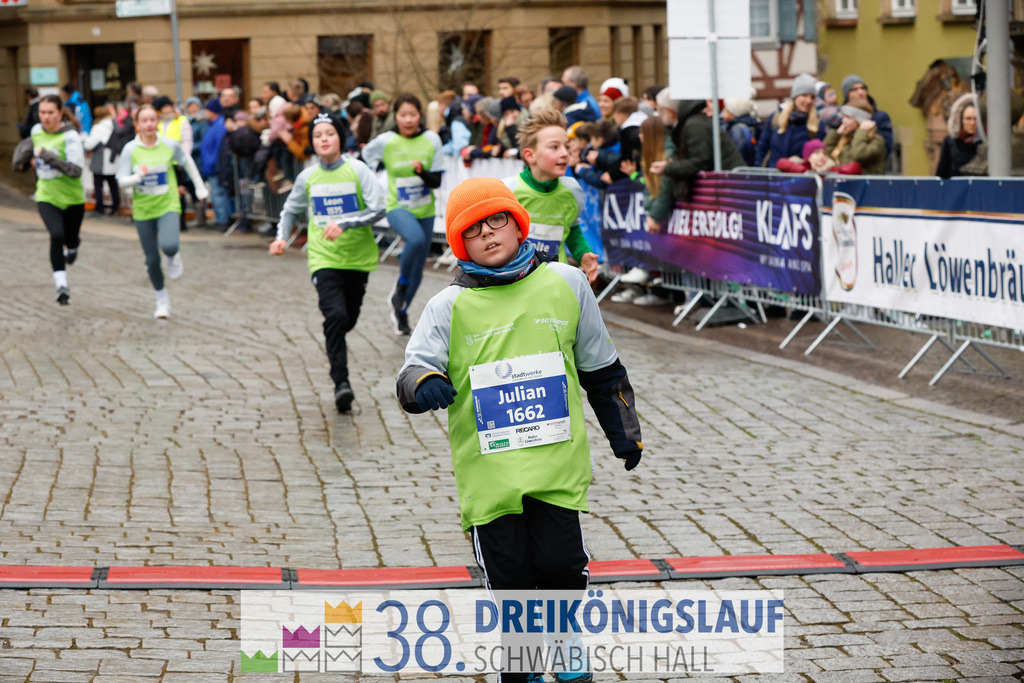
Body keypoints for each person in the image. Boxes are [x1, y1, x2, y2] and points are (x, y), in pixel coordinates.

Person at [395, 176, 642, 683]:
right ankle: (522, 659)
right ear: (459, 242)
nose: (487, 233)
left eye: (496, 220)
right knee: (510, 574)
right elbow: (411, 370)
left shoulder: (567, 283)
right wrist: (423, 384)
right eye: (472, 229)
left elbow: (602, 367)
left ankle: (566, 641)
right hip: (491, 476)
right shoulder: (447, 306)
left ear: (517, 223)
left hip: (556, 464)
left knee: (561, 564)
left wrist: (624, 431)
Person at [270, 111, 386, 412]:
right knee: (334, 316)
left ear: (340, 138)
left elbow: (379, 208)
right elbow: (290, 209)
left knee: (347, 319)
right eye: (318, 135)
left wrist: (345, 223)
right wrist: (282, 237)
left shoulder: (358, 170)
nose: (323, 139)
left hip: (357, 259)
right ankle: (341, 384)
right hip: (323, 258)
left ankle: (336, 346)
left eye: (329, 134)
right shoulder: (307, 176)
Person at [361, 93, 444, 335]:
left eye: (413, 115)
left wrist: (421, 172)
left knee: (419, 269)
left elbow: (436, 181)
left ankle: (402, 310)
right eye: (403, 115)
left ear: (420, 116)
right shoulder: (386, 141)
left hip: (425, 210)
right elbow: (362, 160)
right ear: (395, 116)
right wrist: (374, 171)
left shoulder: (432, 140)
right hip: (397, 207)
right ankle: (400, 286)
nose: (408, 120)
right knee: (415, 239)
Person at [116, 104, 208, 318]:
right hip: (143, 210)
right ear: (137, 124)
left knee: (169, 244)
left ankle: (173, 256)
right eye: (144, 120)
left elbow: (187, 162)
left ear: (157, 122)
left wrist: (199, 186)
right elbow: (121, 180)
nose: (149, 124)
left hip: (168, 204)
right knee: (151, 260)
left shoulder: (169, 144)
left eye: (152, 119)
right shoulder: (130, 149)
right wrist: (136, 178)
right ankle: (161, 299)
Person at [503, 109, 599, 281]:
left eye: (566, 146)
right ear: (530, 155)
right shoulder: (508, 190)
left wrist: (583, 253)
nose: (565, 153)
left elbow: (571, 228)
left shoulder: (572, 190)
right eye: (555, 147)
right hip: (515, 281)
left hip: (555, 280)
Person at [11, 94, 86, 305]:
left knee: (70, 238)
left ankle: (73, 245)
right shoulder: (36, 131)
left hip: (72, 198)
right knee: (56, 235)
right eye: (42, 112)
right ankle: (61, 286)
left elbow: (75, 171)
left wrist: (47, 156)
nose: (46, 117)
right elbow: (28, 153)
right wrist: (23, 162)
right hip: (46, 196)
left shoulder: (70, 136)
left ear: (60, 113)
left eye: (50, 112)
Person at [754, 74, 823, 168]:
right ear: (795, 97)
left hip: (801, 175)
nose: (809, 101)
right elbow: (762, 148)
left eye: (812, 97)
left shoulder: (817, 124)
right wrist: (759, 172)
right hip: (773, 174)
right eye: (804, 95)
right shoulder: (776, 118)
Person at [823, 101, 886, 175]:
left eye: (848, 117)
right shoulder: (846, 138)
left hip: (865, 182)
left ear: (860, 121)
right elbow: (824, 153)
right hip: (843, 181)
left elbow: (858, 155)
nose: (843, 120)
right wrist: (836, 133)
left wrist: (862, 131)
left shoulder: (877, 140)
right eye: (844, 117)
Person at [840, 74, 894, 157]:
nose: (861, 92)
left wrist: (862, 129)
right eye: (854, 89)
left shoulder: (880, 117)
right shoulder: (841, 117)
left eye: (863, 88)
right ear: (847, 95)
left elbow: (885, 149)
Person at [83, 103, 121, 217]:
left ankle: (100, 208)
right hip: (114, 160)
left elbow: (89, 144)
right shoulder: (115, 124)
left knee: (98, 184)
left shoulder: (98, 127)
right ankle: (115, 207)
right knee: (113, 184)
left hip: (100, 159)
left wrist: (85, 139)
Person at [935, 93, 980, 178]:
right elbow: (941, 174)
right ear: (961, 120)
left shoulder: (985, 143)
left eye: (976, 119)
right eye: (968, 118)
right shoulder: (950, 142)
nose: (972, 123)